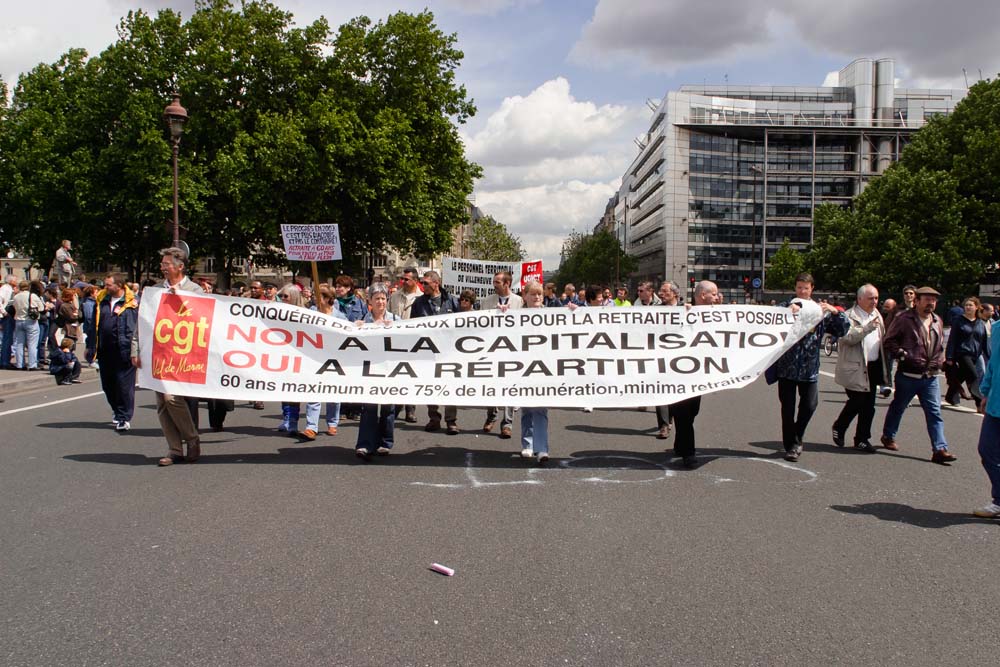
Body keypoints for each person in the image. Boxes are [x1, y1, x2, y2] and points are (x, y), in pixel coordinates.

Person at [132, 247, 204, 467]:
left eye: (166, 264)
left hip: (184, 354)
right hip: (159, 354)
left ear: (180, 266)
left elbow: (203, 320)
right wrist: (135, 349)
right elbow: (142, 323)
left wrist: (180, 300)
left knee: (172, 398)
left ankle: (191, 439)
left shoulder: (196, 290)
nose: (163, 268)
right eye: (162, 264)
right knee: (162, 404)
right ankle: (174, 449)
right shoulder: (154, 291)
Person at [769, 273, 847, 461]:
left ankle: (797, 435)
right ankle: (792, 445)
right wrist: (788, 310)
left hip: (809, 369)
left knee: (810, 405)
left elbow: (842, 330)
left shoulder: (819, 311)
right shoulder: (786, 306)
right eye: (799, 287)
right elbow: (770, 319)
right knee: (787, 409)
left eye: (806, 288)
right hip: (787, 368)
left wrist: (835, 312)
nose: (802, 291)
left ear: (812, 288)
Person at [880, 286, 955, 464]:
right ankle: (888, 435)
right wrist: (901, 354)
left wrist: (940, 360)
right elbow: (889, 341)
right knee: (899, 406)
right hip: (908, 374)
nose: (931, 303)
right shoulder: (904, 319)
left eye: (934, 300)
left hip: (930, 376)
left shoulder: (937, 320)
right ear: (917, 301)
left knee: (934, 412)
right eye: (927, 299)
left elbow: (939, 345)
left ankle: (939, 449)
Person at [832, 284, 887, 453]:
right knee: (857, 401)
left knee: (869, 406)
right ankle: (840, 426)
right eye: (871, 298)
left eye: (876, 298)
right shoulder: (849, 315)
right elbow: (847, 338)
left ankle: (862, 439)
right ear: (860, 299)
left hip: (873, 365)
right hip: (855, 366)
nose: (874, 301)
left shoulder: (877, 314)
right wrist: (867, 328)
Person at [669, 281, 719, 468]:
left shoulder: (717, 314)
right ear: (702, 295)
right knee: (682, 411)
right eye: (713, 294)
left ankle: (680, 444)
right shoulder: (683, 311)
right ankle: (689, 453)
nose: (716, 297)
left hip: (698, 372)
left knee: (691, 412)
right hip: (676, 372)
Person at [410, 270, 462, 432]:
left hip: (449, 352)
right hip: (428, 352)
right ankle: (434, 418)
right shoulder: (419, 303)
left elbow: (462, 324)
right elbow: (412, 326)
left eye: (425, 283)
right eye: (422, 283)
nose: (422, 286)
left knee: (450, 385)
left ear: (436, 283)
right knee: (430, 385)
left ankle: (451, 421)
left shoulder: (452, 301)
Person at [355, 284, 398, 459]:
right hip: (370, 370)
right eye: (376, 298)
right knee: (369, 408)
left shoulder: (396, 320)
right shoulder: (363, 321)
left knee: (388, 408)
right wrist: (355, 328)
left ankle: (385, 443)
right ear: (370, 302)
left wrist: (395, 329)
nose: (380, 301)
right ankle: (365, 445)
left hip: (390, 370)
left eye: (383, 298)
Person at [298, 283, 345, 441]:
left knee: (333, 392)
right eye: (316, 296)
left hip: (334, 359)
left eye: (321, 296)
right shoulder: (312, 312)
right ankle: (311, 427)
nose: (318, 299)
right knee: (315, 391)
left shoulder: (339, 316)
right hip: (315, 357)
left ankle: (332, 423)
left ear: (329, 299)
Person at [480, 271, 524, 438]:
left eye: (497, 282)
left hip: (510, 351)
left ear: (507, 284)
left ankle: (507, 424)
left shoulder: (519, 302)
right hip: (491, 351)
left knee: (508, 387)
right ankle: (491, 417)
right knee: (491, 386)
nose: (494, 284)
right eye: (494, 281)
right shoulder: (487, 301)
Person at [94, 274, 138, 431]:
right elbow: (94, 324)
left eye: (109, 285)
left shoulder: (133, 303)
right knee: (108, 384)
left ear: (119, 286)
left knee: (124, 385)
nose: (105, 287)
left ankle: (124, 417)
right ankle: (117, 409)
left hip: (124, 349)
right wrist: (90, 345)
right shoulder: (101, 300)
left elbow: (138, 327)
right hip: (105, 349)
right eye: (105, 284)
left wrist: (136, 350)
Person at [518, 281, 551, 462]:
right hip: (523, 367)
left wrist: (573, 312)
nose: (537, 297)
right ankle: (527, 445)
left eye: (540, 294)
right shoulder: (515, 316)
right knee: (527, 409)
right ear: (525, 296)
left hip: (543, 368)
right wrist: (501, 313)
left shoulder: (552, 315)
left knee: (540, 408)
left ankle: (542, 448)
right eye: (533, 294)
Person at [973, 316, 1000, 518]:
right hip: (996, 403)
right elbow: (993, 363)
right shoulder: (998, 328)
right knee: (987, 450)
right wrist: (985, 391)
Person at [389, 267, 422, 423]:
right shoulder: (395, 296)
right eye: (402, 278)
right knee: (396, 374)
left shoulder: (421, 297)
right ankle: (396, 406)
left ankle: (410, 409)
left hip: (414, 341)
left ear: (415, 280)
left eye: (407, 279)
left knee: (412, 375)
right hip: (396, 341)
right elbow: (387, 314)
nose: (403, 281)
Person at [944, 296, 989, 408]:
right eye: (966, 305)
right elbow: (952, 339)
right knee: (973, 376)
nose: (968, 307)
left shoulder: (980, 323)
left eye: (970, 305)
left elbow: (984, 342)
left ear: (977, 307)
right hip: (962, 353)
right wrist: (949, 357)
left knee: (961, 376)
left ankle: (950, 395)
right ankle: (979, 403)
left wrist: (990, 356)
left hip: (975, 355)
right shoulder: (959, 321)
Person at [11, 280, 43, 370]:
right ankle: (32, 364)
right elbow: (41, 308)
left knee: (19, 344)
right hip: (31, 321)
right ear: (28, 287)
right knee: (32, 344)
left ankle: (20, 364)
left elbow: (14, 307)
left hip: (18, 320)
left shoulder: (16, 297)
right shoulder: (32, 296)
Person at [0, 275, 17, 368]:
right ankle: (4, 362)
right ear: (10, 280)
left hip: (8, 315)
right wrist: (4, 312)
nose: (16, 281)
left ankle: (6, 360)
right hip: (6, 316)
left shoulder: (9, 289)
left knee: (9, 339)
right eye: (15, 280)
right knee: (7, 339)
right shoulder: (5, 289)